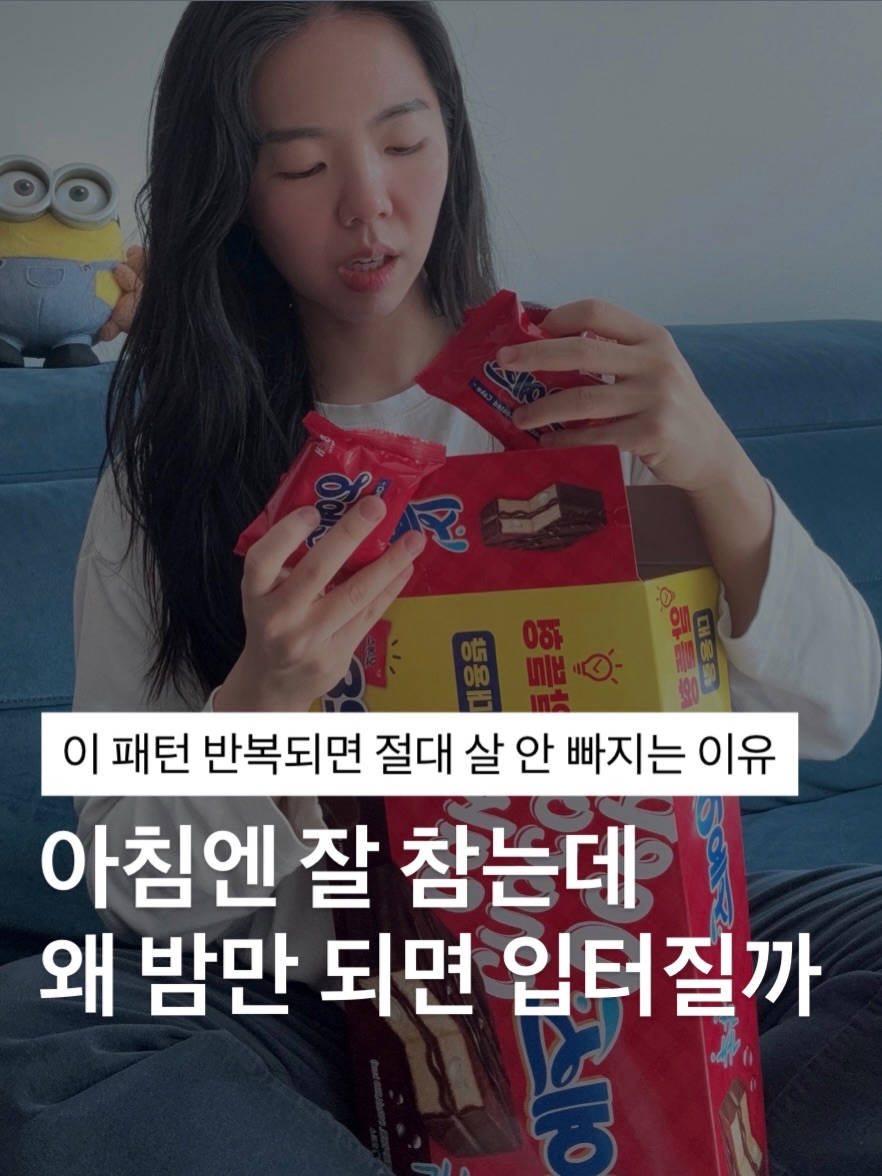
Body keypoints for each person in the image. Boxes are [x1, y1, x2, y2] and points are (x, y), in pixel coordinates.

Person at [0, 3, 879, 1175]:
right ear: (233, 190)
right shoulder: (163, 482)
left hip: (624, 936)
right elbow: (140, 892)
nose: (369, 205)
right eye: (302, 166)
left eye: (403, 142)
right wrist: (261, 707)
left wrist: (715, 465)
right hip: (326, 989)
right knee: (42, 1037)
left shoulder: (584, 404)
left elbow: (834, 713)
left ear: (451, 141)